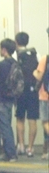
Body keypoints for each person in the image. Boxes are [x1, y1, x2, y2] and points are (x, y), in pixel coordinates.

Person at [0, 38, 20, 161]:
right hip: (10, 99)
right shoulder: (14, 63)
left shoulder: (2, 65)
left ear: (4, 50)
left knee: (4, 127)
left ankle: (11, 154)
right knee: (7, 125)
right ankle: (9, 152)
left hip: (0, 99)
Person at [14, 32, 40, 157]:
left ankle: (21, 146)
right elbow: (39, 72)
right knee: (32, 119)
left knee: (20, 118)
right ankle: (30, 148)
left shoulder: (16, 54)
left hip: (20, 90)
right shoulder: (36, 54)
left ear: (16, 42)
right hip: (33, 90)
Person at [34, 32, 49, 160]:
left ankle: (46, 151)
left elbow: (38, 76)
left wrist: (34, 71)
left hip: (45, 96)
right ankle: (45, 151)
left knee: (45, 122)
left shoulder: (46, 58)